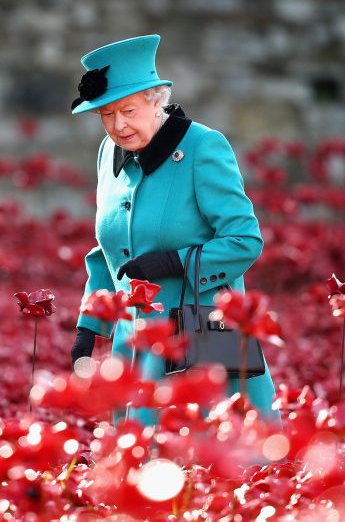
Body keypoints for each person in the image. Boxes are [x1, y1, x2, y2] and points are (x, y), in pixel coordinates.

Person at [68, 34, 278, 426]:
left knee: (203, 465)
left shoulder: (203, 148)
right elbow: (108, 251)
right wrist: (89, 323)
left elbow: (245, 240)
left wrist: (175, 262)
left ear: (155, 100)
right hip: (132, 345)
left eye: (128, 110)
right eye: (106, 115)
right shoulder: (107, 154)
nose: (118, 125)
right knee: (134, 467)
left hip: (198, 337)